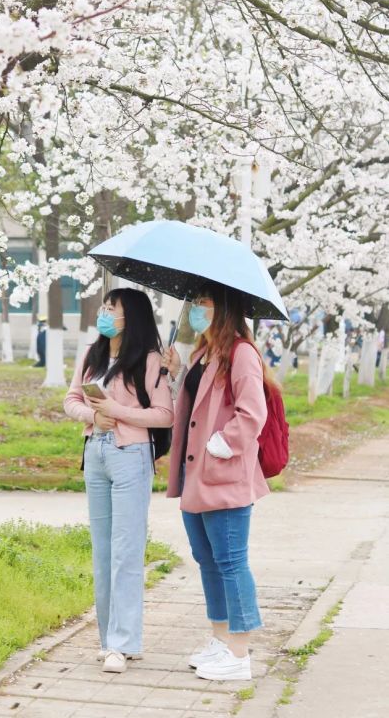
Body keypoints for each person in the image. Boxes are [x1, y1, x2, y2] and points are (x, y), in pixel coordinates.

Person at [162, 282, 269, 682]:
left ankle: (239, 654)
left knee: (230, 561)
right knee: (207, 559)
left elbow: (252, 412)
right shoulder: (204, 354)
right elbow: (190, 410)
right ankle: (221, 639)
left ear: (223, 308)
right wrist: (175, 375)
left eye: (204, 303)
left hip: (224, 474)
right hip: (196, 475)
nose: (196, 309)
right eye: (195, 302)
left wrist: (223, 444)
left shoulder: (241, 354)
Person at [64, 288, 174, 674]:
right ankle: (108, 638)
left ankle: (123, 643)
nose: (105, 313)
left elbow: (164, 415)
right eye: (105, 307)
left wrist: (118, 411)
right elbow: (71, 399)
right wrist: (92, 417)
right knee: (102, 550)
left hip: (131, 457)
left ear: (133, 317)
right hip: (95, 453)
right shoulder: (91, 354)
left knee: (127, 550)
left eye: (113, 308)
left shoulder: (149, 360)